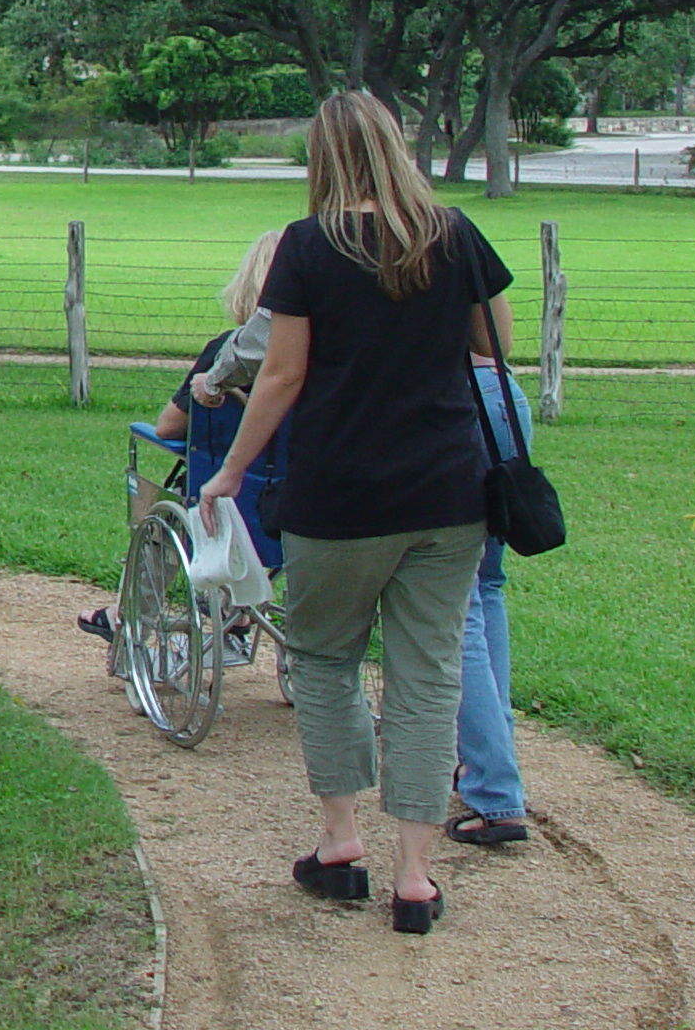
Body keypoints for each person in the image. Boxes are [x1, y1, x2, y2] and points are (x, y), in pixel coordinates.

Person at [196, 90, 512, 937]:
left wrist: (230, 471)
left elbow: (283, 375)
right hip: (448, 495)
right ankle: (415, 878)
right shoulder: (454, 233)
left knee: (327, 661)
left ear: (324, 158)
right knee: (427, 676)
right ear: (396, 145)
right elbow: (495, 345)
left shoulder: (309, 247)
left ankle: (340, 847)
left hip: (340, 496)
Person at [78, 230, 287, 648]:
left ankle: (130, 616)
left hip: (223, 502)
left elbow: (169, 428)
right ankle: (244, 613)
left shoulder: (227, 352)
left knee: (165, 517)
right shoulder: (328, 360)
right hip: (301, 502)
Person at [451, 346, 532, 846]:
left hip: (453, 401)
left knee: (459, 603)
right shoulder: (471, 259)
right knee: (487, 585)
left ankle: (495, 787)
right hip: (502, 393)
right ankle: (495, 760)